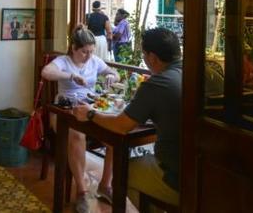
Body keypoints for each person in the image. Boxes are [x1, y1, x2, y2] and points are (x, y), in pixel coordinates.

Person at [74, 27, 182, 210]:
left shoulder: (157, 84)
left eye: (144, 55)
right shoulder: (195, 73)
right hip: (208, 173)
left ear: (152, 58)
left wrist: (90, 114)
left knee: (125, 170)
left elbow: (121, 126)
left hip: (177, 177)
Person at [41, 24, 120, 213]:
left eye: (91, 52)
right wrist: (71, 76)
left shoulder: (94, 61)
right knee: (77, 136)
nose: (89, 56)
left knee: (114, 138)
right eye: (84, 52)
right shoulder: (63, 61)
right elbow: (46, 72)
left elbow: (114, 72)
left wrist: (111, 76)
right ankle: (82, 192)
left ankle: (105, 185)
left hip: (89, 109)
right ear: (74, 48)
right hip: (63, 112)